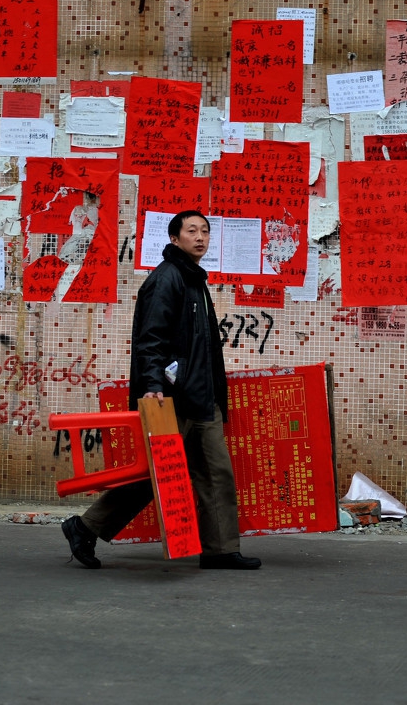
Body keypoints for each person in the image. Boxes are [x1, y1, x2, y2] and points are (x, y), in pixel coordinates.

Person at [62, 210, 262, 570]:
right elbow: (150, 340)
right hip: (172, 400)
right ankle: (84, 526)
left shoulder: (195, 279)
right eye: (191, 231)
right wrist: (153, 384)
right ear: (174, 239)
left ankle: (220, 550)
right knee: (152, 475)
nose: (200, 237)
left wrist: (216, 394)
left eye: (204, 231)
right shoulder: (166, 279)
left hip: (203, 400)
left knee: (217, 475)